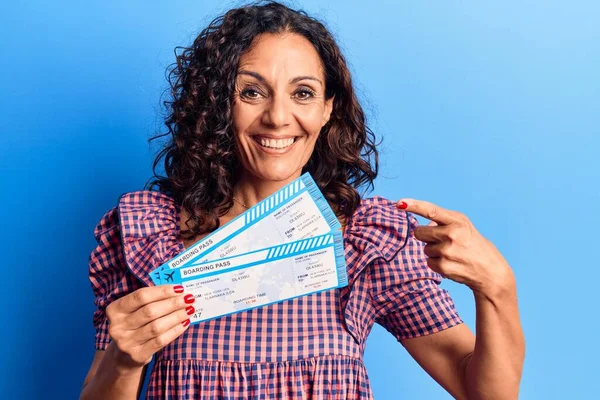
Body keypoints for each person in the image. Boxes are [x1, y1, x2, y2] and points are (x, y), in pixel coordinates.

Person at [80, 1, 525, 399]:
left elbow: (485, 393)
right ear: (219, 103)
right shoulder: (148, 232)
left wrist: (498, 289)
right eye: (251, 91)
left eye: (303, 93)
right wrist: (124, 359)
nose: (277, 117)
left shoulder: (368, 242)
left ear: (328, 108)